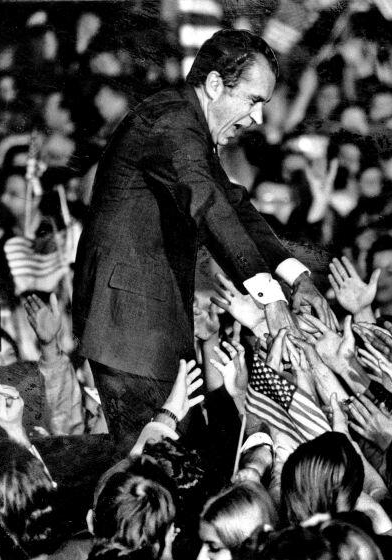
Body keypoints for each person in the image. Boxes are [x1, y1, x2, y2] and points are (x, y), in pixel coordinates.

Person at [72, 29, 335, 447]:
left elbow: (234, 205)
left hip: (145, 325)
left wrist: (297, 278)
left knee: (179, 465)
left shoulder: (187, 125)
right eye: (253, 101)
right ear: (215, 85)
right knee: (157, 473)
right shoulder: (173, 122)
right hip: (131, 326)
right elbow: (211, 209)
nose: (257, 120)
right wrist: (271, 301)